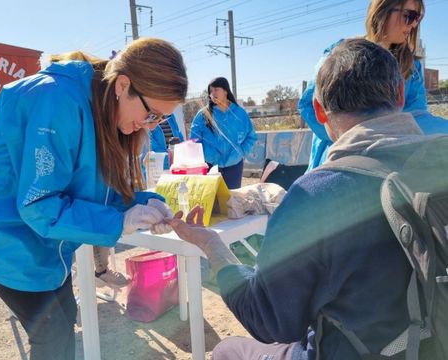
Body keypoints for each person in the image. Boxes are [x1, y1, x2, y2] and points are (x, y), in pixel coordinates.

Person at [169, 39, 429, 359]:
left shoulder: (315, 195)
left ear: (319, 111)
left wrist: (212, 245)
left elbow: (268, 320)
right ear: (401, 96)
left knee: (227, 350)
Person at [0, 37, 187, 360]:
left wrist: (142, 203)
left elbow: (96, 188)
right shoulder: (58, 102)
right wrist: (120, 222)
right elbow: (39, 204)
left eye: (160, 119)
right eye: (152, 114)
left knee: (64, 321)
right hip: (0, 230)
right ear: (123, 85)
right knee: (52, 335)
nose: (150, 125)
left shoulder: (105, 107)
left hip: (43, 234)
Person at [298, 0, 448, 171]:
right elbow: (309, 105)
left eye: (418, 18)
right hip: (338, 159)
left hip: (388, 160)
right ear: (383, 10)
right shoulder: (341, 54)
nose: (413, 25)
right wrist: (351, 138)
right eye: (409, 16)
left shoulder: (411, 68)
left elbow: (419, 117)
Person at [190, 77, 257, 189]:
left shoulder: (239, 113)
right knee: (211, 201)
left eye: (216, 89)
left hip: (234, 166)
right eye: (211, 91)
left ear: (225, 90)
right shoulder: (203, 115)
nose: (213, 93)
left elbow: (251, 137)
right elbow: (194, 140)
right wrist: (207, 155)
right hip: (210, 166)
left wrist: (240, 152)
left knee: (232, 200)